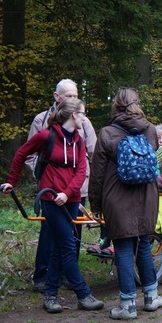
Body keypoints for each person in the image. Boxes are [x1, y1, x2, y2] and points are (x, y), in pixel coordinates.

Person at [2, 98, 104, 314]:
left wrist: (67, 194)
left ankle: (50, 295)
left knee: (59, 248)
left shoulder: (79, 140)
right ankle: (83, 294)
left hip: (71, 199)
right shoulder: (46, 135)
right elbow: (22, 153)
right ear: (73, 115)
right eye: (83, 113)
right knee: (67, 246)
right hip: (50, 199)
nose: (85, 117)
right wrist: (12, 181)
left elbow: (81, 171)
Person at [89, 87, 162, 319]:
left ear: (116, 105)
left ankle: (127, 305)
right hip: (146, 196)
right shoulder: (150, 130)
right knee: (143, 243)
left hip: (117, 197)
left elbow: (98, 174)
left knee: (122, 247)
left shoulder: (107, 133)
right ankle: (151, 297)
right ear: (137, 103)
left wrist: (96, 206)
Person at [25, 79, 100, 292]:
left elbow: (94, 153)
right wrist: (42, 177)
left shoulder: (84, 122)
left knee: (73, 234)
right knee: (49, 231)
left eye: (76, 96)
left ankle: (68, 275)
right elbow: (29, 155)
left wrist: (89, 180)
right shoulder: (41, 120)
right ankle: (42, 275)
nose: (74, 100)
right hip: (50, 190)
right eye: (69, 96)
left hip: (77, 188)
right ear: (57, 97)